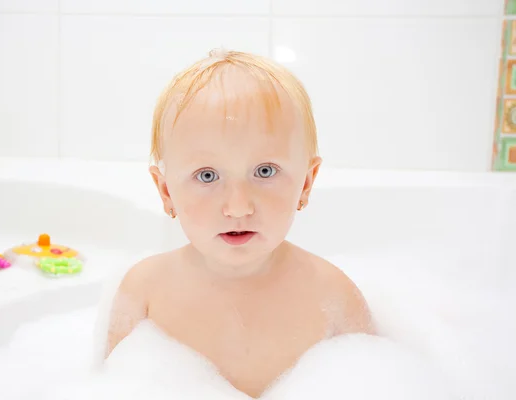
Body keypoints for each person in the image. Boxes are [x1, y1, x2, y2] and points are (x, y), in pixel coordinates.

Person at [105, 48, 374, 398]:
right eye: (207, 175)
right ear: (166, 190)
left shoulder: (335, 297)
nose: (237, 207)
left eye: (265, 171)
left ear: (306, 183)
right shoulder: (144, 293)